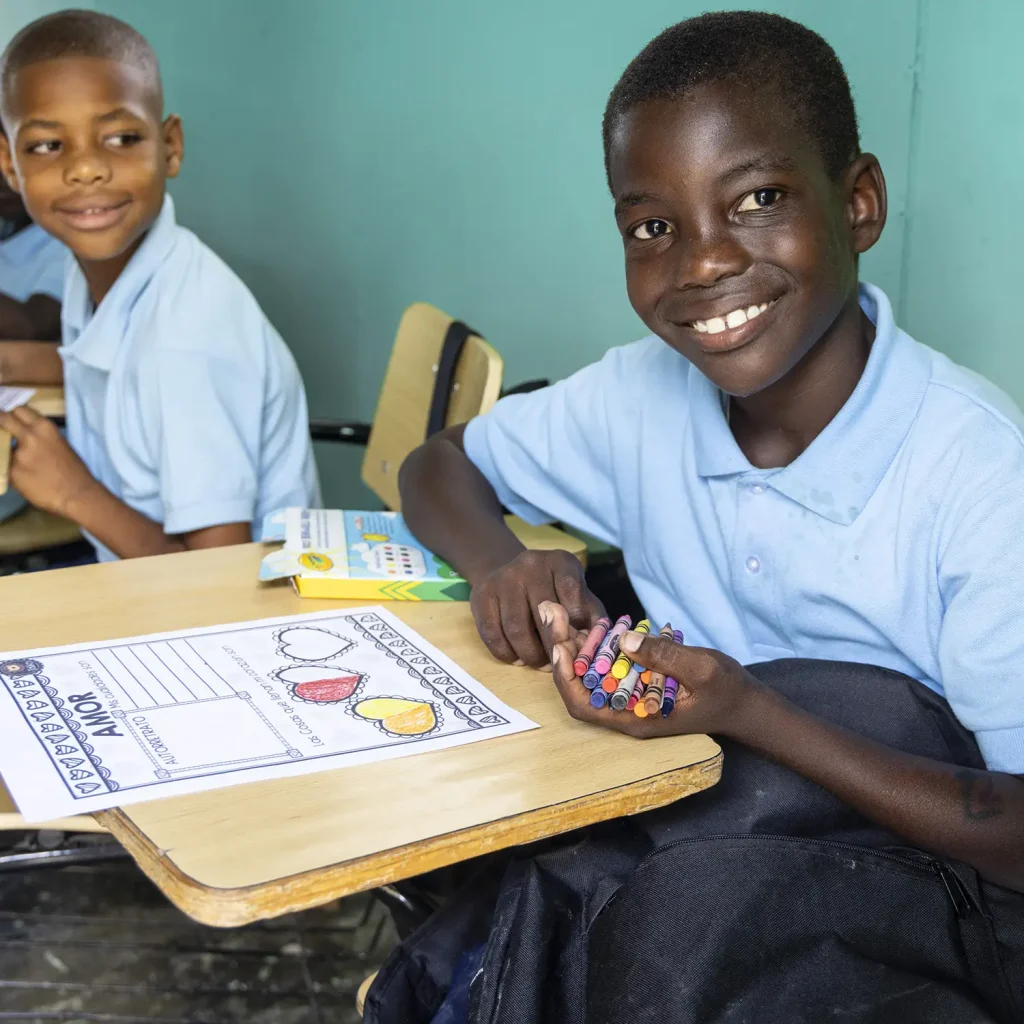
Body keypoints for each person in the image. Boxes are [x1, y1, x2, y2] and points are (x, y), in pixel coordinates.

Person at [393, 11, 1024, 1021]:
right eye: (653, 227)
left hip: (916, 924)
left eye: (759, 199)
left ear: (858, 202)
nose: (699, 264)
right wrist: (498, 561)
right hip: (691, 867)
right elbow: (436, 467)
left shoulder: (982, 476)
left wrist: (751, 711)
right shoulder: (638, 398)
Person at [0, 10, 319, 561]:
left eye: (121, 138)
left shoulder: (186, 338)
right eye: (49, 146)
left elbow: (216, 581)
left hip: (233, 623)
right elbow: (104, 365)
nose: (86, 170)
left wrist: (72, 492)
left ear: (169, 146)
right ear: (10, 166)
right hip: (143, 589)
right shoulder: (108, 273)